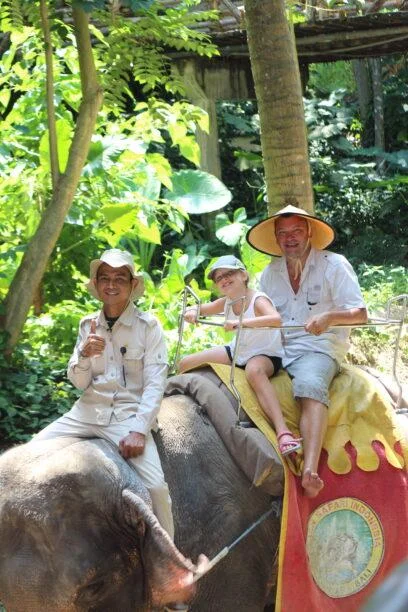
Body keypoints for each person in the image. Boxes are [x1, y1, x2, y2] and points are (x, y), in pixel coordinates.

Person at [33, 248, 174, 538]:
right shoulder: (88, 325)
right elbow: (79, 382)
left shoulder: (148, 327)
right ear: (96, 284)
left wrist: (139, 431)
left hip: (127, 416)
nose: (111, 284)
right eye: (105, 278)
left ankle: (170, 556)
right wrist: (83, 355)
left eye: (120, 278)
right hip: (86, 412)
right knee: (29, 453)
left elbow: (155, 383)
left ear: (133, 285)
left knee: (156, 487)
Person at [246, 203, 368, 498]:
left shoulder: (334, 265)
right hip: (278, 347)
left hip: (318, 347)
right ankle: (277, 437)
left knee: (310, 384)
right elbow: (261, 316)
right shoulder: (269, 273)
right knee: (237, 371)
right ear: (276, 238)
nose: (290, 238)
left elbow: (361, 314)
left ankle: (310, 470)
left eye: (297, 231)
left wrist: (329, 318)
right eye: (283, 233)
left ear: (310, 233)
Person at [178, 255, 302, 457]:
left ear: (243, 275)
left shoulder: (257, 299)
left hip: (264, 353)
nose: (224, 279)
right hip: (238, 351)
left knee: (254, 371)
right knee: (185, 363)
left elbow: (276, 319)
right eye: (219, 278)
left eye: (229, 273)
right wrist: (192, 311)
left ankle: (283, 432)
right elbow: (200, 309)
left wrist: (240, 323)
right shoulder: (226, 302)